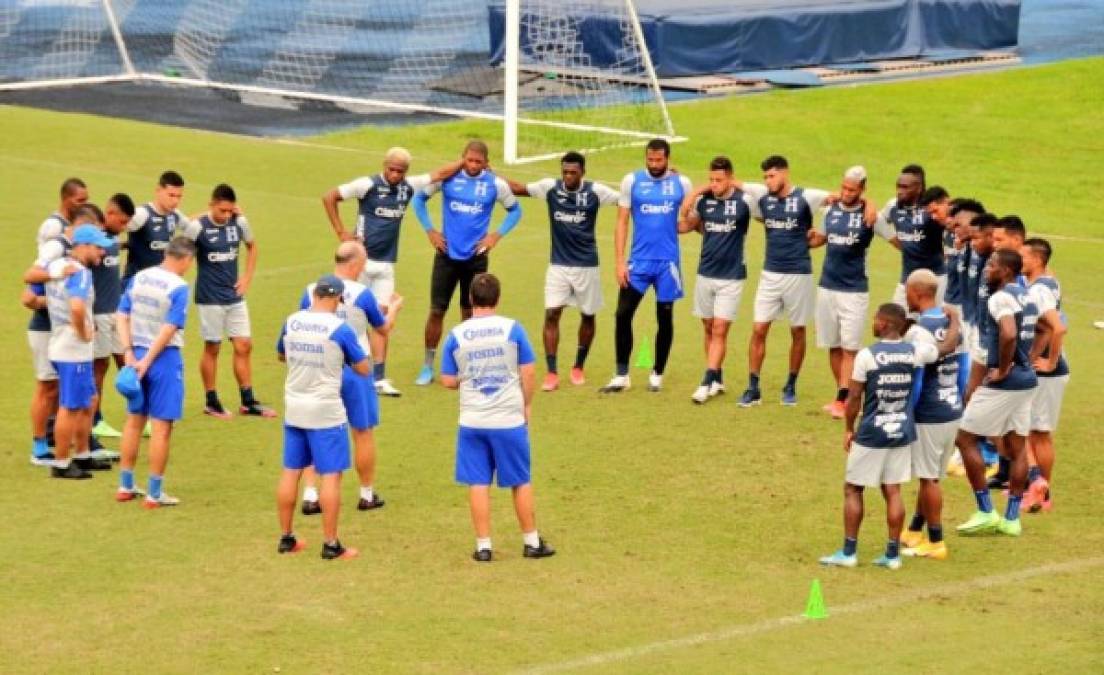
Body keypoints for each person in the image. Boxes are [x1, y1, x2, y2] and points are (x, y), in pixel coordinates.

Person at [322, 148, 461, 396]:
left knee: (380, 321)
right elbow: (329, 197)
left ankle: (378, 378)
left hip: (386, 266)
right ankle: (339, 371)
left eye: (400, 171)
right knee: (352, 319)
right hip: (360, 264)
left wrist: (467, 161)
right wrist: (341, 233)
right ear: (384, 165)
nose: (395, 175)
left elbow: (439, 173)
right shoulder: (367, 185)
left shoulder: (408, 187)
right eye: (392, 169)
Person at [439, 273, 554, 562]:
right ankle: (531, 541)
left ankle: (483, 546)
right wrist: (525, 404)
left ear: (470, 299)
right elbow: (528, 372)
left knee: (478, 483)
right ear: (498, 299)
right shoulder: (512, 330)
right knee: (520, 481)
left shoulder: (457, 334)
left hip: (472, 420)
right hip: (508, 420)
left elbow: (447, 380)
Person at [820, 303, 938, 569]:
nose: (872, 324)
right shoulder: (914, 352)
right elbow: (940, 350)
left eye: (875, 319)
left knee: (853, 488)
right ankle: (893, 554)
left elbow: (853, 398)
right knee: (893, 490)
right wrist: (953, 323)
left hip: (872, 432)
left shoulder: (867, 356)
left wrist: (849, 428)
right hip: (900, 430)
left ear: (885, 324)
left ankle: (849, 552)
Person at [299, 242, 403, 515]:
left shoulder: (311, 291)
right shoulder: (362, 294)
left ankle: (311, 494)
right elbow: (383, 329)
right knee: (362, 431)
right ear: (354, 264)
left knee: (313, 428)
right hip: (356, 367)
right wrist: (394, 308)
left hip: (320, 367)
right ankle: (366, 494)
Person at [505, 151, 620, 390]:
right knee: (551, 314)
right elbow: (517, 188)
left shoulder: (596, 191)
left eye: (573, 173)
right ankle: (552, 372)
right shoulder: (550, 188)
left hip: (587, 265)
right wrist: (487, 173)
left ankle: (578, 366)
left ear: (582, 173)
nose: (568, 177)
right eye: (565, 172)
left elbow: (626, 200)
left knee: (588, 315)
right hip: (558, 265)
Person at [411, 140, 522, 386]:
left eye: (478, 162)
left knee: (469, 312)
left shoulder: (495, 184)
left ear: (486, 163)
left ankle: (467, 365)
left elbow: (516, 211)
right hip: (446, 255)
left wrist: (496, 236)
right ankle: (428, 366)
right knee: (436, 311)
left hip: (476, 257)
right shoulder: (448, 178)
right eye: (469, 160)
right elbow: (418, 200)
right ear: (462, 158)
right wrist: (430, 230)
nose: (473, 165)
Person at [275, 275, 371, 560]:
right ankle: (330, 543)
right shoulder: (339, 329)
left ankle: (286, 537)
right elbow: (364, 368)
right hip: (326, 410)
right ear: (337, 299)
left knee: (291, 471)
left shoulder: (292, 321)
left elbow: (281, 355)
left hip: (295, 405)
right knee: (331, 475)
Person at [738, 155, 845, 407]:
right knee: (758, 329)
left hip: (799, 274)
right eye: (765, 176)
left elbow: (842, 198)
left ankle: (791, 385)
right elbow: (732, 184)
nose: (767, 180)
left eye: (772, 175)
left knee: (797, 330)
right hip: (769, 274)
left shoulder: (807, 197)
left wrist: (825, 234)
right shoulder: (762, 197)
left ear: (785, 173)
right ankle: (753, 386)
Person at [954, 249, 1038, 537]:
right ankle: (1012, 518)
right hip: (1027, 380)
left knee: (964, 438)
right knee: (1017, 448)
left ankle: (986, 510)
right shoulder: (1026, 295)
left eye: (991, 266)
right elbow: (1038, 330)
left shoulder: (1000, 297)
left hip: (1005, 382)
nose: (986, 270)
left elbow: (1009, 333)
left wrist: (1003, 368)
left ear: (1004, 271)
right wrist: (1028, 361)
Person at [600, 138, 692, 393]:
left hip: (668, 265)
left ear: (668, 159)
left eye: (658, 160)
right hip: (638, 263)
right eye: (649, 159)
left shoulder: (681, 183)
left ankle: (657, 373)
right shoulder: (632, 181)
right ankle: (621, 375)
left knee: (664, 317)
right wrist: (620, 262)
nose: (653, 164)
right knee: (622, 315)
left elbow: (691, 215)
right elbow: (621, 222)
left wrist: (687, 224)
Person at [178, 183, 273, 419]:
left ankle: (248, 401)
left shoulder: (239, 223)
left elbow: (252, 247)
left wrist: (247, 278)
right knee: (213, 347)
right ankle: (211, 401)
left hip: (234, 295)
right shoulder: (198, 227)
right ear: (211, 205)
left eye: (230, 211)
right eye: (222, 210)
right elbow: (179, 246)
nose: (227, 215)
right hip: (209, 298)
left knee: (244, 345)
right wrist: (199, 215)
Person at [115, 237, 196, 508]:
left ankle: (125, 485)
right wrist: (149, 360)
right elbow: (169, 328)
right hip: (163, 359)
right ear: (186, 259)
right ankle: (154, 493)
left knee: (133, 422)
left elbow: (122, 314)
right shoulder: (179, 287)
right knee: (161, 428)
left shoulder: (140, 277)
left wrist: (128, 353)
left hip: (134, 353)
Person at [812, 166, 894, 418]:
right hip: (827, 287)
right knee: (833, 345)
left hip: (854, 290)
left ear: (862, 190)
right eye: (844, 188)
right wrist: (801, 238)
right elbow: (820, 240)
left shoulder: (871, 217)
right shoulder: (830, 211)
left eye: (852, 190)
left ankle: (846, 400)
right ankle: (844, 395)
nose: (846, 193)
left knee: (851, 348)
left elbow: (894, 239)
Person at [677, 156, 754, 404]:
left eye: (719, 180)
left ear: (730, 178)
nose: (714, 184)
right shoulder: (705, 201)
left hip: (731, 276)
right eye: (710, 179)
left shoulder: (744, 201)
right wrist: (695, 194)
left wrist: (735, 184)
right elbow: (686, 224)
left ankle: (705, 382)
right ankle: (717, 378)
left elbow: (761, 197)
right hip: (705, 274)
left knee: (720, 329)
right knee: (708, 328)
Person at [899, 270, 962, 560]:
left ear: (917, 292)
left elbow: (918, 378)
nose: (904, 297)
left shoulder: (918, 331)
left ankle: (936, 541)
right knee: (932, 474)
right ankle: (914, 529)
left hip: (929, 411)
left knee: (928, 479)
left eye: (907, 292)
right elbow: (962, 369)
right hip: (952, 408)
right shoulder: (952, 324)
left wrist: (908, 411)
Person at [44, 225, 115, 479]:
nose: (102, 252)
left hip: (63, 345)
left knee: (88, 401)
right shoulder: (81, 273)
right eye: (97, 247)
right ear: (83, 246)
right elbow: (76, 307)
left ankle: (83, 455)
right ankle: (62, 463)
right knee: (70, 406)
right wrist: (84, 332)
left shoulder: (58, 266)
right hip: (72, 349)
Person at [1020, 238, 1068, 513]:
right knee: (1030, 430)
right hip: (1039, 368)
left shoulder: (1040, 290)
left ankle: (1043, 492)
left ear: (1038, 260)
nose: (1020, 261)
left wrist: (1050, 361)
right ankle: (1037, 488)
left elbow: (1057, 327)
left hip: (1048, 373)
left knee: (1039, 434)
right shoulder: (1048, 282)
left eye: (1024, 256)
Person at [89, 194, 133, 441]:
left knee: (124, 360)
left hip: (116, 313)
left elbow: (118, 245)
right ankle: (95, 419)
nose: (124, 227)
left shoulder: (113, 239)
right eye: (122, 221)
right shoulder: (94, 240)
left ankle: (137, 414)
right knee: (100, 365)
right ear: (111, 215)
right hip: (98, 314)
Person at [881, 165, 948, 307]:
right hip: (907, 279)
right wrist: (893, 239)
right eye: (898, 186)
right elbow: (877, 220)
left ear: (919, 188)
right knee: (897, 319)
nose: (900, 191)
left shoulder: (931, 209)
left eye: (905, 187)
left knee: (933, 321)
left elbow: (949, 228)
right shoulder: (892, 206)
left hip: (935, 278)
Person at [122, 170, 190, 287]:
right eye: (171, 195)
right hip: (135, 285)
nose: (175, 201)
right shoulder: (142, 214)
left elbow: (194, 225)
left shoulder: (175, 215)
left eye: (179, 196)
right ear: (158, 190)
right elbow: (114, 228)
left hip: (159, 287)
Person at [36, 177, 88, 246]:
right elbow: (46, 255)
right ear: (65, 198)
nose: (85, 205)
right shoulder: (54, 225)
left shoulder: (77, 222)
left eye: (86, 200)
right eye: (80, 200)